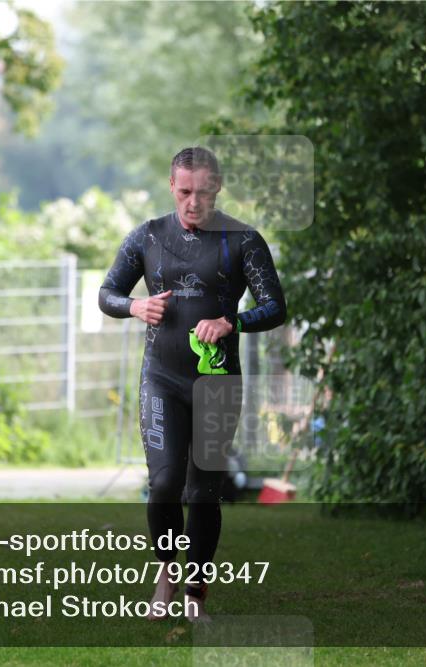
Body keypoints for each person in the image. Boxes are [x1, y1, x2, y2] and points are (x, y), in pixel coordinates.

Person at [98, 147, 286, 622]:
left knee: (203, 490)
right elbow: (108, 293)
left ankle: (195, 592)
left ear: (217, 187)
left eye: (203, 193)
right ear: (171, 186)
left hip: (217, 381)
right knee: (163, 484)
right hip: (161, 377)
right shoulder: (148, 236)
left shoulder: (243, 240)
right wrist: (135, 307)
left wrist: (231, 322)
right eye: (184, 192)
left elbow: (275, 306)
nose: (193, 203)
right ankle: (165, 575)